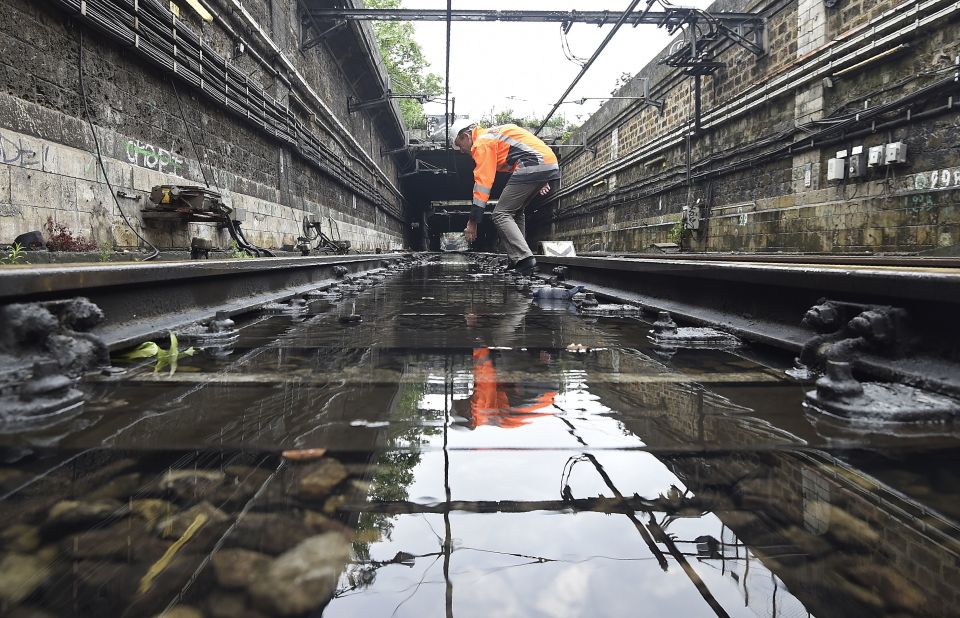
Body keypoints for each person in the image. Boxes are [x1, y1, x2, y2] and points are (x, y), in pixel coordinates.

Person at [454, 123, 561, 275]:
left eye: (460, 145)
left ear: (465, 136)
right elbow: (527, 146)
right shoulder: (492, 135)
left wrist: (472, 222)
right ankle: (517, 259)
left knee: (500, 214)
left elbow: (483, 184)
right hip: (545, 162)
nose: (461, 150)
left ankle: (524, 259)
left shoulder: (481, 143)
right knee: (516, 211)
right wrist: (543, 177)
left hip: (533, 164)